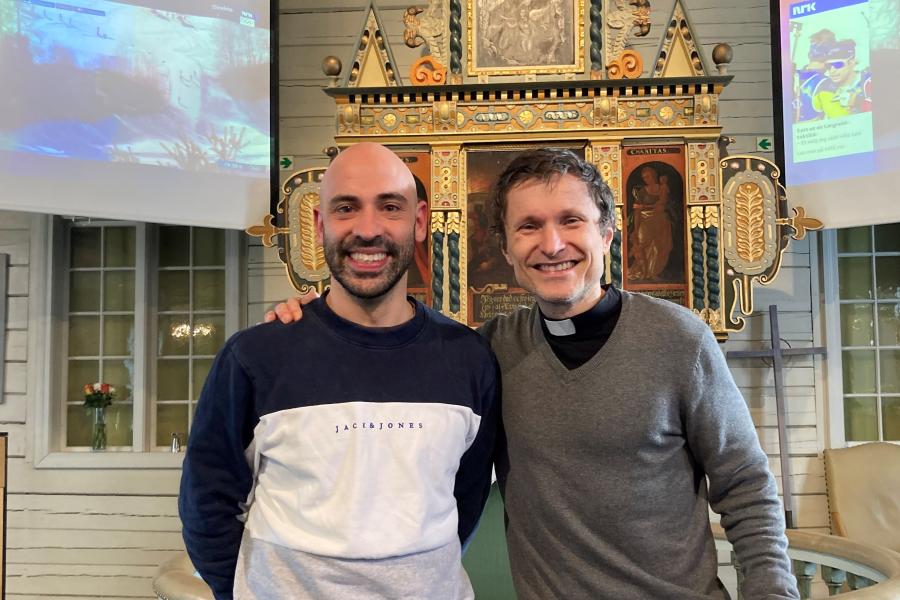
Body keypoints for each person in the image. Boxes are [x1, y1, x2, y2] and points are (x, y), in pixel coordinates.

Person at [268, 148, 799, 600]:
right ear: (506, 248)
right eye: (529, 226)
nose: (552, 244)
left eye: (571, 220)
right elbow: (391, 357)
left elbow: (745, 485)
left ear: (607, 233)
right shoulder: (491, 352)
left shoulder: (679, 340)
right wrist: (317, 322)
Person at [181, 143, 499, 600]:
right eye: (346, 208)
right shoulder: (255, 357)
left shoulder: (469, 359)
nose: (367, 229)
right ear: (319, 224)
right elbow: (206, 504)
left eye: (390, 207)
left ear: (419, 221)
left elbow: (465, 499)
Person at [628, 165, 674, 281]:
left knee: (659, 247)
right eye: (644, 177)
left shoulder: (662, 188)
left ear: (654, 175)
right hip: (645, 221)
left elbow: (664, 204)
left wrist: (647, 207)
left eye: (648, 176)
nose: (646, 179)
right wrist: (636, 229)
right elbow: (637, 210)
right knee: (643, 246)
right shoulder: (642, 191)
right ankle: (644, 272)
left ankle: (654, 272)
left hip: (660, 221)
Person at [812, 39, 872, 119]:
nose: (832, 71)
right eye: (828, 66)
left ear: (851, 63)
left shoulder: (867, 83)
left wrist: (859, 102)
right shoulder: (823, 87)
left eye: (838, 65)